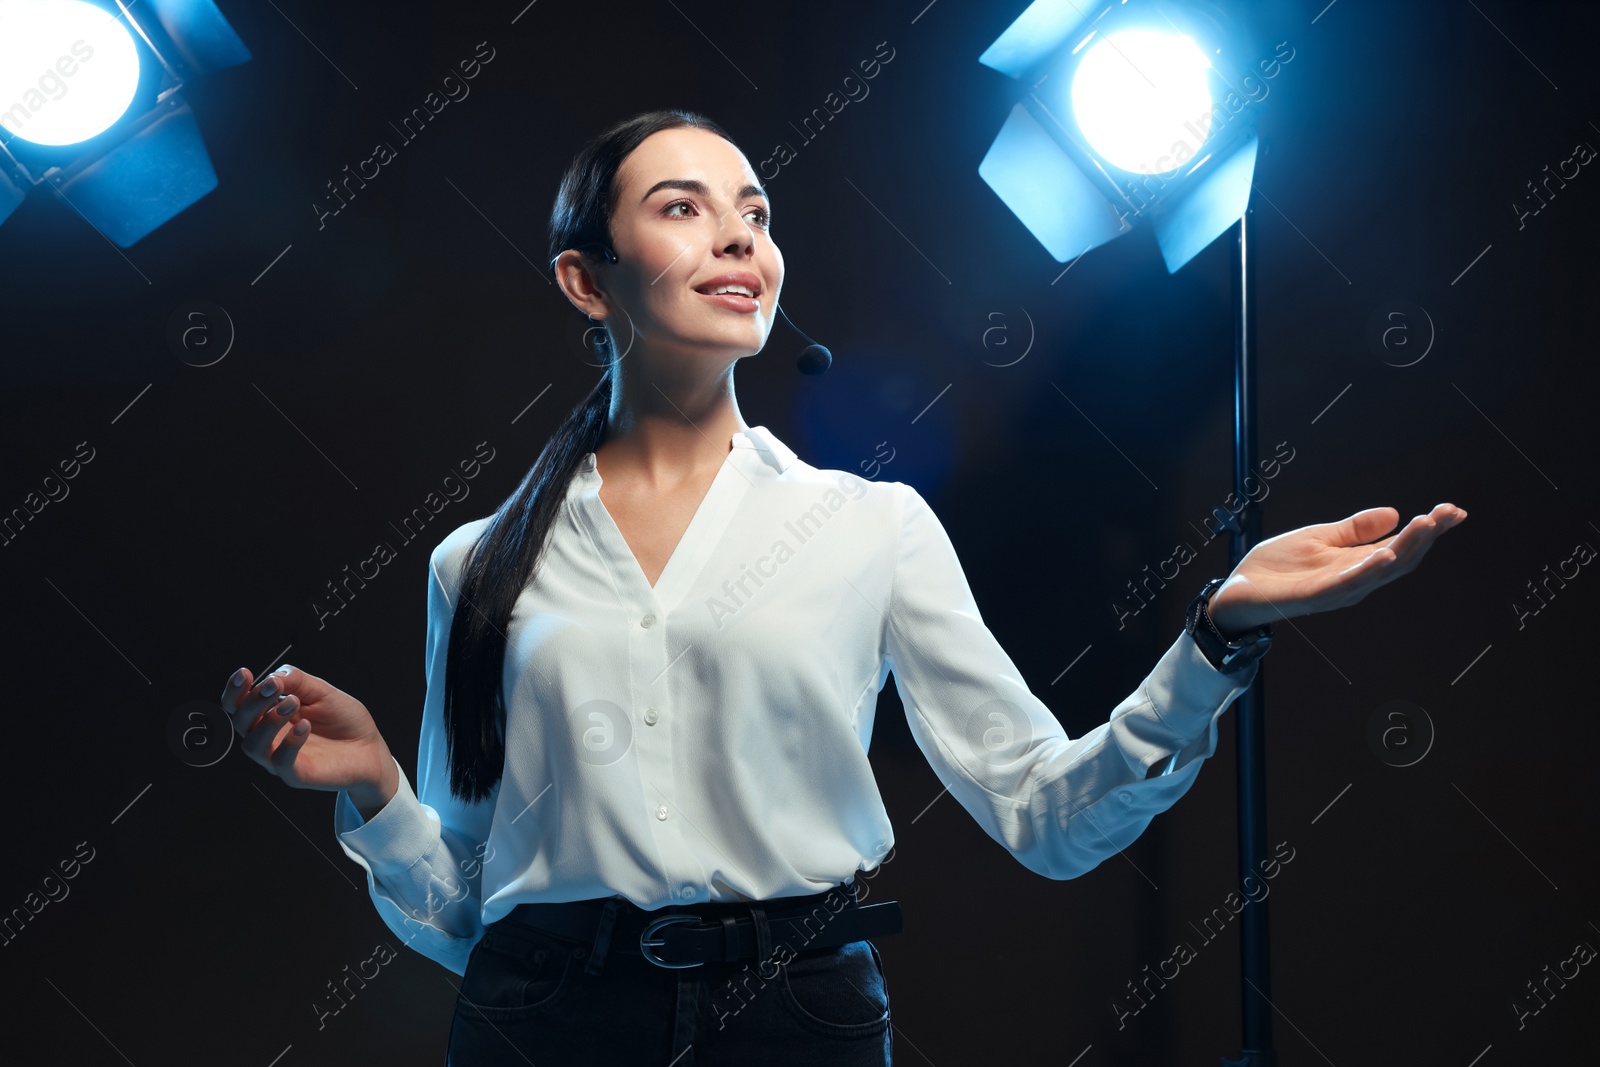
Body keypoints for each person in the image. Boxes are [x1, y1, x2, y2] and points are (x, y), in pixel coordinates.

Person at [219, 109, 1466, 1066]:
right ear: (584, 281)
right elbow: (468, 914)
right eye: (682, 206)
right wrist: (381, 789)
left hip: (796, 1016)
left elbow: (1046, 812)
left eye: (754, 212)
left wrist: (1215, 632)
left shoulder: (868, 526)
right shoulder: (474, 562)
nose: (736, 236)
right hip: (539, 1023)